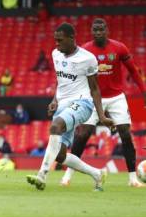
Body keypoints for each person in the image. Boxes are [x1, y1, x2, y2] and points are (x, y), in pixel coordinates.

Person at [26, 22, 113, 191]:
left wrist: (101, 115)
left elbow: (95, 88)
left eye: (60, 40)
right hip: (63, 105)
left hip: (82, 103)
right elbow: (61, 81)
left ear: (72, 38)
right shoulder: (56, 54)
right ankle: (98, 174)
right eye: (55, 40)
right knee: (60, 155)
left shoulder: (87, 58)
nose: (56, 44)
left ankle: (42, 175)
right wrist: (54, 100)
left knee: (56, 126)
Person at [61, 18, 146, 187]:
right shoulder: (85, 50)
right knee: (83, 134)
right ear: (92, 31)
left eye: (101, 29)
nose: (98, 32)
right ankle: (67, 176)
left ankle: (132, 179)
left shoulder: (119, 48)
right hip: (92, 99)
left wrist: (144, 93)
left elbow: (134, 72)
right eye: (95, 30)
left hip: (116, 97)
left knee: (125, 133)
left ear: (107, 31)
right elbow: (74, 75)